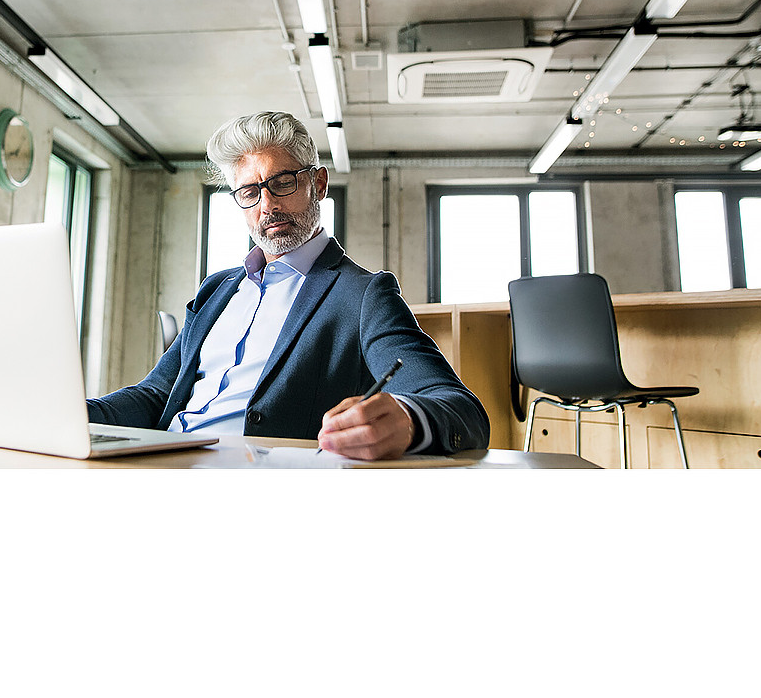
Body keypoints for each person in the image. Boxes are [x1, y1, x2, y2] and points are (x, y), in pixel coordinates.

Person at [87, 111, 490, 460]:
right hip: (162, 463)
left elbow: (461, 411)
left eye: (282, 183)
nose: (267, 205)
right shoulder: (216, 290)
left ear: (318, 184)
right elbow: (156, 394)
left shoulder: (365, 295)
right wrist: (76, 413)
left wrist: (408, 420)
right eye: (249, 192)